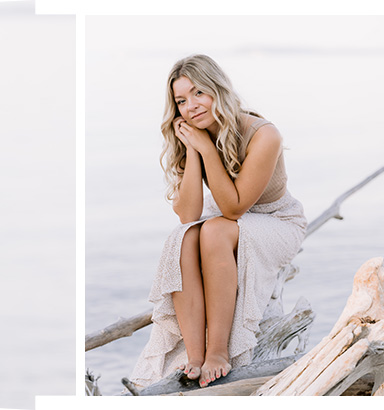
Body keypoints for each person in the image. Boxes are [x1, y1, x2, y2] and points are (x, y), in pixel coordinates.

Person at [131, 54, 306, 389]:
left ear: (217, 89)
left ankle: (219, 351)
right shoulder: (195, 135)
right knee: (183, 237)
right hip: (226, 217)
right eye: (181, 100)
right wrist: (195, 151)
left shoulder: (263, 134)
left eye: (198, 93)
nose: (191, 106)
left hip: (277, 220)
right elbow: (188, 215)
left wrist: (208, 151)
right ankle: (195, 357)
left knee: (213, 231)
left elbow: (235, 208)